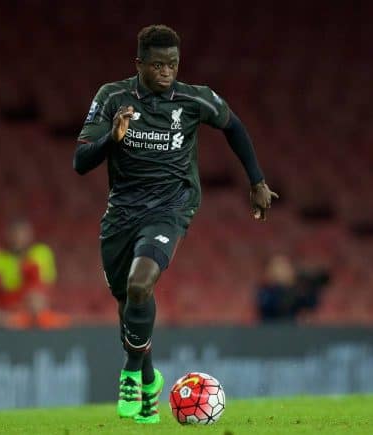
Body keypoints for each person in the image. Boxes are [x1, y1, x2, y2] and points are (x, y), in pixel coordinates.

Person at [73, 24, 278, 424]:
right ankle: (150, 380)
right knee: (129, 303)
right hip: (122, 212)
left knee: (139, 283)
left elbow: (233, 125)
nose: (166, 72)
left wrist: (257, 181)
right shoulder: (112, 97)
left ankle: (131, 374)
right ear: (139, 64)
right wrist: (113, 138)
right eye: (157, 64)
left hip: (172, 205)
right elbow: (80, 163)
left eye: (172, 64)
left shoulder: (193, 98)